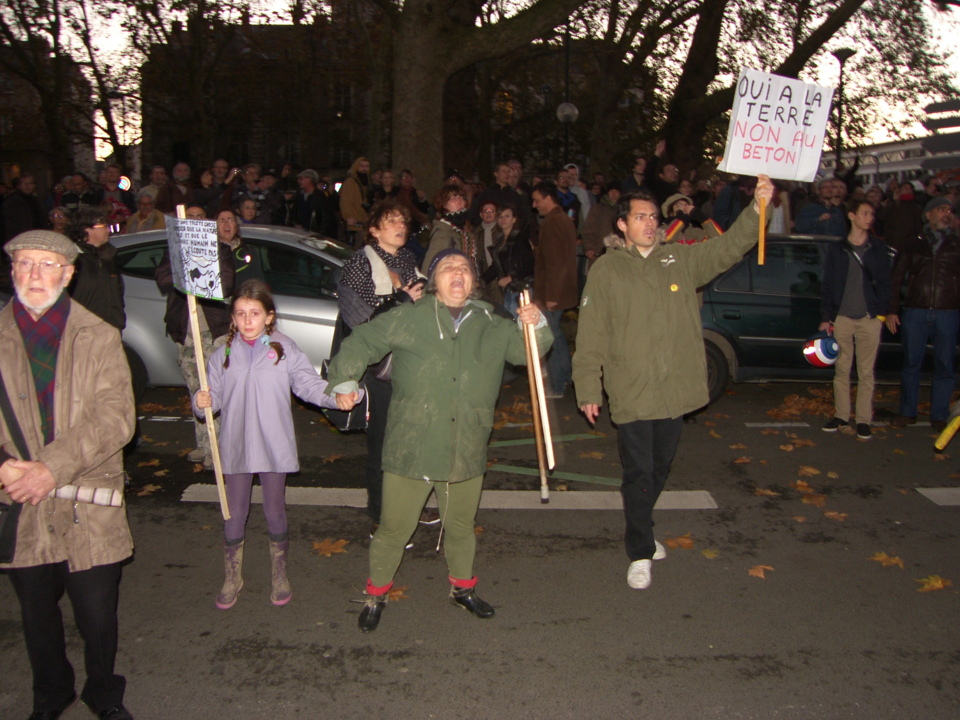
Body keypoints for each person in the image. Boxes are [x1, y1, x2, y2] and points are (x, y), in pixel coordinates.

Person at [327, 247, 552, 633]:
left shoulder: (491, 322)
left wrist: (536, 323)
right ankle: (376, 593)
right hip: (412, 442)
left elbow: (525, 352)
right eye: (448, 268)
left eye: (464, 268)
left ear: (474, 282)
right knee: (394, 528)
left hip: (466, 441)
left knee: (462, 525)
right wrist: (344, 381)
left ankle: (463, 589)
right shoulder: (410, 317)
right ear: (435, 281)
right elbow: (362, 341)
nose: (457, 274)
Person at [573, 174, 774, 591]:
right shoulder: (607, 270)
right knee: (637, 472)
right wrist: (589, 388)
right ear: (622, 226)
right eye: (641, 217)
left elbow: (730, 245)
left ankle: (643, 526)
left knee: (659, 468)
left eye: (653, 217)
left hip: (674, 388)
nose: (650, 223)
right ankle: (640, 551)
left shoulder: (680, 259)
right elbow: (590, 336)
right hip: (631, 388)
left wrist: (759, 207)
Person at [0, 230, 136, 720]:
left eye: (48, 264)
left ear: (69, 274)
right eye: (26, 263)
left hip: (87, 499)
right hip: (19, 500)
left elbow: (117, 418)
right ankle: (50, 693)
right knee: (37, 615)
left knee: (98, 614)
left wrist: (49, 468)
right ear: (12, 270)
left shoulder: (97, 336)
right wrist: (6, 468)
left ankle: (104, 691)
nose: (36, 274)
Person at [193, 280, 347, 609]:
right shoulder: (222, 355)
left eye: (255, 313)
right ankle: (233, 575)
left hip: (273, 443)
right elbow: (213, 401)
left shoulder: (284, 348)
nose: (248, 320)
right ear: (232, 319)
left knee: (275, 511)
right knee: (234, 515)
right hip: (236, 444)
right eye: (240, 314)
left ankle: (279, 574)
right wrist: (201, 401)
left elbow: (307, 384)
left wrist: (336, 397)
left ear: (269, 316)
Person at [337, 200, 424, 532]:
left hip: (412, 364)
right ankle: (382, 516)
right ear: (373, 229)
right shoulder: (358, 265)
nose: (400, 225)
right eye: (391, 221)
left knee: (410, 442)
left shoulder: (408, 261)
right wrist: (402, 299)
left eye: (402, 219)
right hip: (380, 371)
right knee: (382, 444)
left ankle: (405, 509)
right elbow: (361, 321)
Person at [155, 209, 239, 468]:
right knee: (196, 390)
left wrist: (197, 273)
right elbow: (163, 278)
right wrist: (190, 274)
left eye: (201, 216)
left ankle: (220, 448)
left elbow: (224, 283)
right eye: (190, 216)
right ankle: (204, 445)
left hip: (213, 331)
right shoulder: (175, 249)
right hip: (187, 333)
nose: (196, 220)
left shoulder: (219, 249)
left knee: (215, 389)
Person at [819, 200, 893, 440]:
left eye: (871, 214)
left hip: (869, 317)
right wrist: (826, 317)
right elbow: (828, 285)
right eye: (864, 213)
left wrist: (880, 314)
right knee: (842, 369)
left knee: (866, 372)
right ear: (852, 216)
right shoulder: (838, 249)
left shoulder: (877, 248)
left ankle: (863, 420)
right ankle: (842, 415)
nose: (869, 218)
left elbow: (885, 283)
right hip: (842, 317)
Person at [886, 197, 960, 431]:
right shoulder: (912, 243)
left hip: (947, 311)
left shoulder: (956, 244)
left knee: (945, 365)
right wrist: (892, 310)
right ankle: (907, 412)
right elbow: (896, 278)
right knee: (911, 364)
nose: (946, 214)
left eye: (949, 210)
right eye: (940, 209)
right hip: (915, 311)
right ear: (928, 215)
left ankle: (939, 414)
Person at [531, 181, 577, 398]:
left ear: (548, 198)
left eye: (537, 200)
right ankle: (566, 377)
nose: (534, 205)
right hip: (557, 290)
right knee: (556, 335)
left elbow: (556, 262)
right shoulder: (559, 219)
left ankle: (557, 385)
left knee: (553, 337)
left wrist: (552, 296)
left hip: (553, 292)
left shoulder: (554, 222)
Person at [66, 206, 126, 331]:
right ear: (87, 230)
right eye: (103, 226)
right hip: (84, 332)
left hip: (111, 328)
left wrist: (118, 320)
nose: (108, 230)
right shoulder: (72, 260)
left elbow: (118, 293)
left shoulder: (109, 257)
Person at [479, 203, 534, 314]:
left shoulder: (520, 238)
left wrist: (512, 277)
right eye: (500, 216)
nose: (503, 219)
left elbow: (530, 264)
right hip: (509, 289)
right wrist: (481, 281)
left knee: (519, 321)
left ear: (514, 219)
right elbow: (496, 266)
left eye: (507, 216)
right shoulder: (500, 241)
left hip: (521, 287)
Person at [421, 184, 475, 273]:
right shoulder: (443, 232)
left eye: (461, 197)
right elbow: (429, 266)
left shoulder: (462, 229)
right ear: (444, 204)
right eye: (453, 198)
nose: (459, 201)